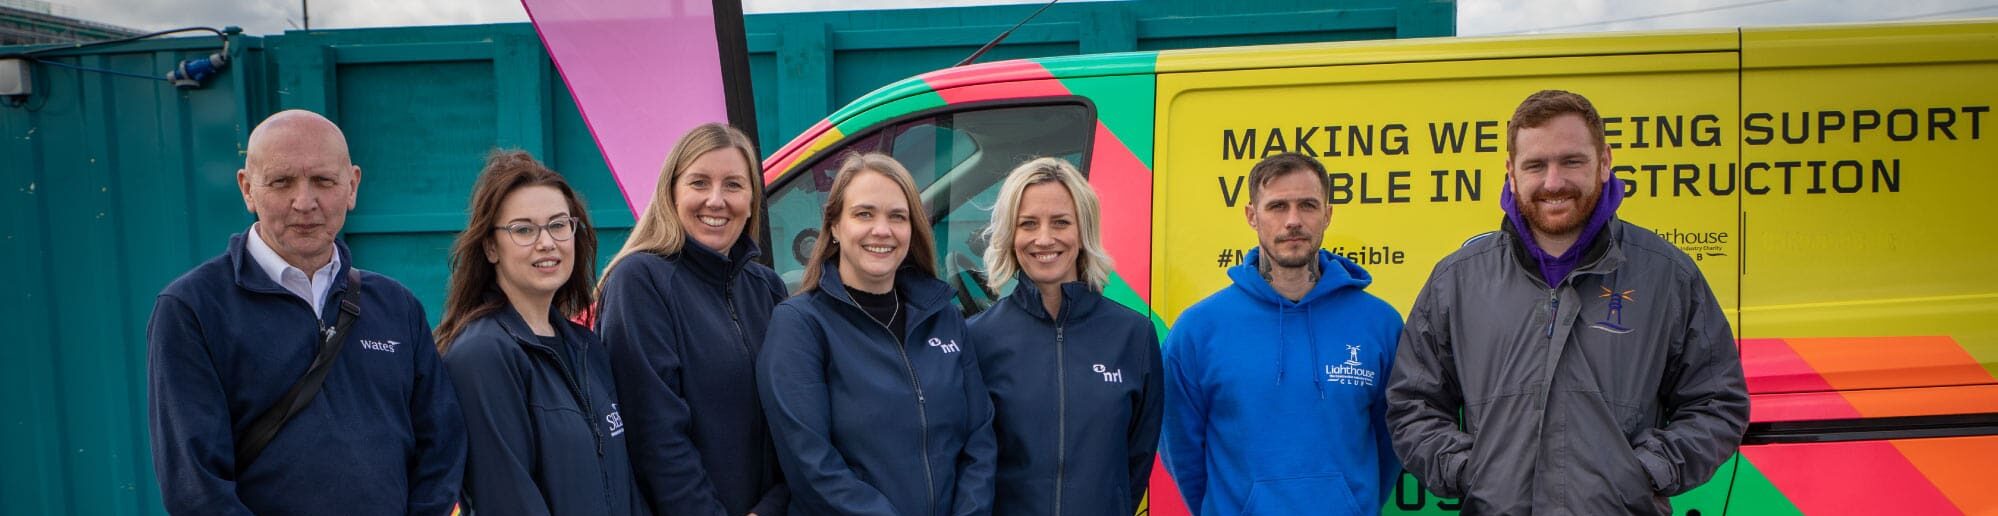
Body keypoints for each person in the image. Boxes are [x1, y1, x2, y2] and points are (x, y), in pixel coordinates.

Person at [1386, 89, 1748, 515]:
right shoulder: (1458, 279)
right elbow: (1413, 404)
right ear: (1511, 172)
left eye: (1571, 161)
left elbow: (1717, 403)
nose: (1553, 182)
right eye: (1536, 165)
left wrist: (1644, 473)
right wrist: (1471, 472)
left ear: (1604, 161)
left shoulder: (1666, 274)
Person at [146, 109, 464, 515]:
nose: (304, 202)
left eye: (323, 181)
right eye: (281, 182)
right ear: (247, 189)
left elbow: (442, 446)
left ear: (352, 186)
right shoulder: (192, 309)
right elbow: (196, 488)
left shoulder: (396, 306)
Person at [1161, 152, 1402, 515]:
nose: (1293, 221)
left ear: (1328, 214)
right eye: (1277, 206)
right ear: (1251, 216)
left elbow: (1391, 439)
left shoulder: (1380, 324)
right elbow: (1182, 449)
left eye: (1307, 205)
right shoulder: (1198, 329)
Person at [756, 152, 997, 515]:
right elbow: (812, 466)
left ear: (911, 228)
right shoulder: (800, 325)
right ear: (835, 226)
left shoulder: (944, 318)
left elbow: (980, 439)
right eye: (864, 214)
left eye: (897, 216)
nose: (882, 230)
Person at [433, 150, 641, 515]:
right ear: (491, 247)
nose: (547, 243)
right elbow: (508, 501)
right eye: (524, 230)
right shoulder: (482, 355)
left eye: (559, 225)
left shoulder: (587, 347)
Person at [598, 123, 790, 515]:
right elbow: (655, 437)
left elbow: (794, 423)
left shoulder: (768, 288)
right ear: (672, 193)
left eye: (734, 185)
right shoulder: (639, 282)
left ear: (753, 199)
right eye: (699, 183)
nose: (716, 200)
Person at [966, 157, 1162, 515]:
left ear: (1083, 231)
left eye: (1061, 222)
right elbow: (971, 464)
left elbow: (1136, 461)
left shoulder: (1133, 335)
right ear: (1011, 235)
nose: (1044, 238)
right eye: (1028, 224)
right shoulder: (977, 339)